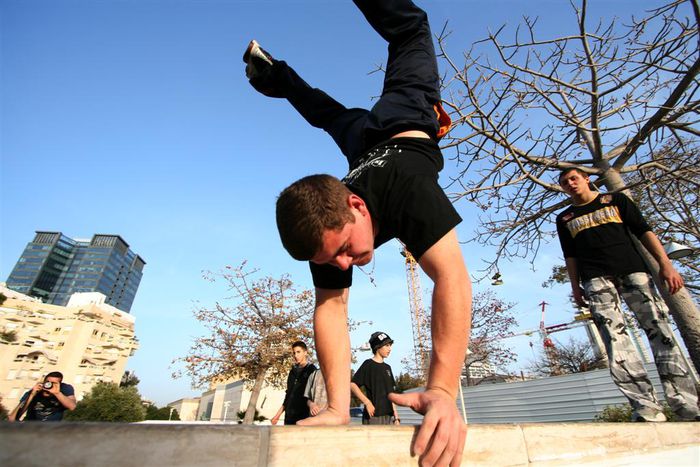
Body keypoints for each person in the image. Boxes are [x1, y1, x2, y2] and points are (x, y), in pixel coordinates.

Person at [244, 1, 470, 464]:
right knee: (325, 113)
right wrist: (334, 407)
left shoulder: (408, 192)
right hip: (361, 145)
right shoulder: (323, 234)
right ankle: (274, 73)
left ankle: (278, 71)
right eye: (334, 260)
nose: (346, 264)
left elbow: (451, 278)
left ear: (357, 205)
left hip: (403, 118)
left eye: (346, 249)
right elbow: (330, 308)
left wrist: (442, 389)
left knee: (410, 29)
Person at [556, 167, 700, 422]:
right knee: (614, 340)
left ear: (586, 179)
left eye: (574, 178)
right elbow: (570, 255)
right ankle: (645, 406)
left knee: (659, 331)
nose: (570, 184)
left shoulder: (616, 201)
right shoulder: (565, 218)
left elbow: (644, 231)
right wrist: (575, 286)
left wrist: (665, 264)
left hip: (633, 272)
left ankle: (685, 403)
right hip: (596, 280)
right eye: (565, 183)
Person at [351, 332, 400, 425]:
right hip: (373, 415)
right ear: (377, 347)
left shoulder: (388, 368)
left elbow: (391, 394)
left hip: (389, 416)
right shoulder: (368, 365)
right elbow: (352, 385)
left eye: (390, 346)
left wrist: (396, 417)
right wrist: (367, 402)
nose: (390, 349)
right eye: (387, 345)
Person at [271, 341, 317, 425]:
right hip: (289, 418)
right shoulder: (292, 372)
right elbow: (288, 395)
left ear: (305, 352)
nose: (296, 355)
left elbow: (313, 394)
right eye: (294, 353)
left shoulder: (312, 370)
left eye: (298, 352)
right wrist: (277, 415)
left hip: (304, 418)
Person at [8, 371, 76, 422]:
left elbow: (72, 407)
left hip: (50, 431)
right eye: (47, 382)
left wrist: (57, 393)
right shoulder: (35, 391)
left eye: (54, 383)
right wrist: (32, 395)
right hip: (30, 428)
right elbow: (12, 419)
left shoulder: (64, 389)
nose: (49, 385)